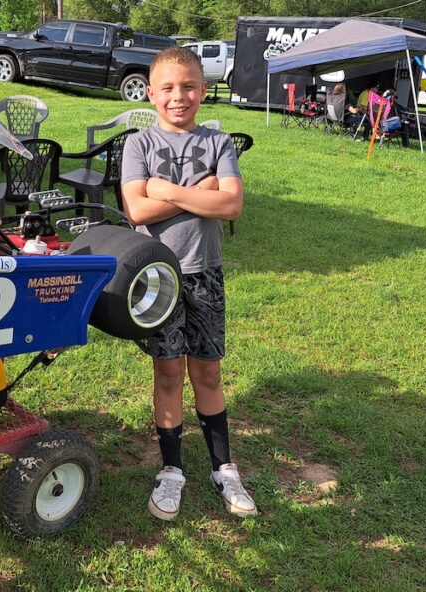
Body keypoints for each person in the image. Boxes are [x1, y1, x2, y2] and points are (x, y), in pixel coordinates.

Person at [119, 45, 256, 521]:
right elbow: (137, 210)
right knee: (169, 372)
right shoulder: (138, 144)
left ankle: (224, 467)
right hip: (156, 278)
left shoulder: (219, 144)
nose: (180, 97)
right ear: (152, 93)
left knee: (208, 372)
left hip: (205, 275)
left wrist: (167, 191)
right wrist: (202, 193)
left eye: (190, 86)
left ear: (203, 90)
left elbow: (232, 205)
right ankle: (172, 470)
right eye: (169, 88)